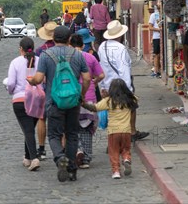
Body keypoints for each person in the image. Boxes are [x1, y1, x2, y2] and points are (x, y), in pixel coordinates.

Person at [28, 26, 90, 183]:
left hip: (54, 101)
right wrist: (81, 94)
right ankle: (71, 169)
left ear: (53, 39)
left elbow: (39, 78)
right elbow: (87, 78)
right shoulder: (78, 54)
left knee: (54, 135)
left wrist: (32, 81)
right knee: (72, 134)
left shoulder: (45, 55)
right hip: (73, 102)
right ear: (69, 39)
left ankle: (60, 157)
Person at [98, 20, 149, 142]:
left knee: (114, 111)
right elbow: (124, 70)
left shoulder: (102, 46)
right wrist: (129, 90)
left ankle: (120, 135)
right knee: (130, 108)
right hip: (121, 85)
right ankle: (130, 132)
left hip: (107, 84)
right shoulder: (120, 48)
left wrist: (102, 87)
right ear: (120, 35)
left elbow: (101, 67)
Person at [82, 79, 138, 179]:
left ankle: (116, 171)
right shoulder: (130, 99)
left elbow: (94, 108)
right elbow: (135, 103)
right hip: (126, 131)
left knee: (114, 151)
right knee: (126, 149)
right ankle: (126, 159)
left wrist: (83, 103)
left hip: (113, 131)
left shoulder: (109, 101)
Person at [6, 37, 41, 171]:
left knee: (27, 129)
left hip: (20, 99)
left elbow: (10, 83)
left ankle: (34, 157)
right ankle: (27, 157)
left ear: (21, 49)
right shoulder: (40, 61)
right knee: (29, 128)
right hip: (37, 99)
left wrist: (11, 92)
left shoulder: (15, 62)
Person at [70, 33, 104, 169]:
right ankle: (86, 158)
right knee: (88, 128)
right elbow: (101, 75)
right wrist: (95, 82)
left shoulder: (68, 58)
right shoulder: (90, 57)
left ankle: (77, 149)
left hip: (72, 97)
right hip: (89, 97)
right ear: (83, 45)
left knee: (74, 127)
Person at [34, 21, 58, 159]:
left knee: (42, 118)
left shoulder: (39, 51)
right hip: (62, 88)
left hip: (44, 88)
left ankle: (42, 149)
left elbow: (39, 73)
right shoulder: (65, 48)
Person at [148, 5, 162, 78]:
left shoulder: (164, 14)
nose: (160, 8)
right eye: (159, 7)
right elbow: (150, 27)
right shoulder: (154, 15)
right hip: (156, 37)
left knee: (162, 55)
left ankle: (160, 70)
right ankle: (156, 71)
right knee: (157, 54)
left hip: (163, 38)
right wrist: (159, 30)